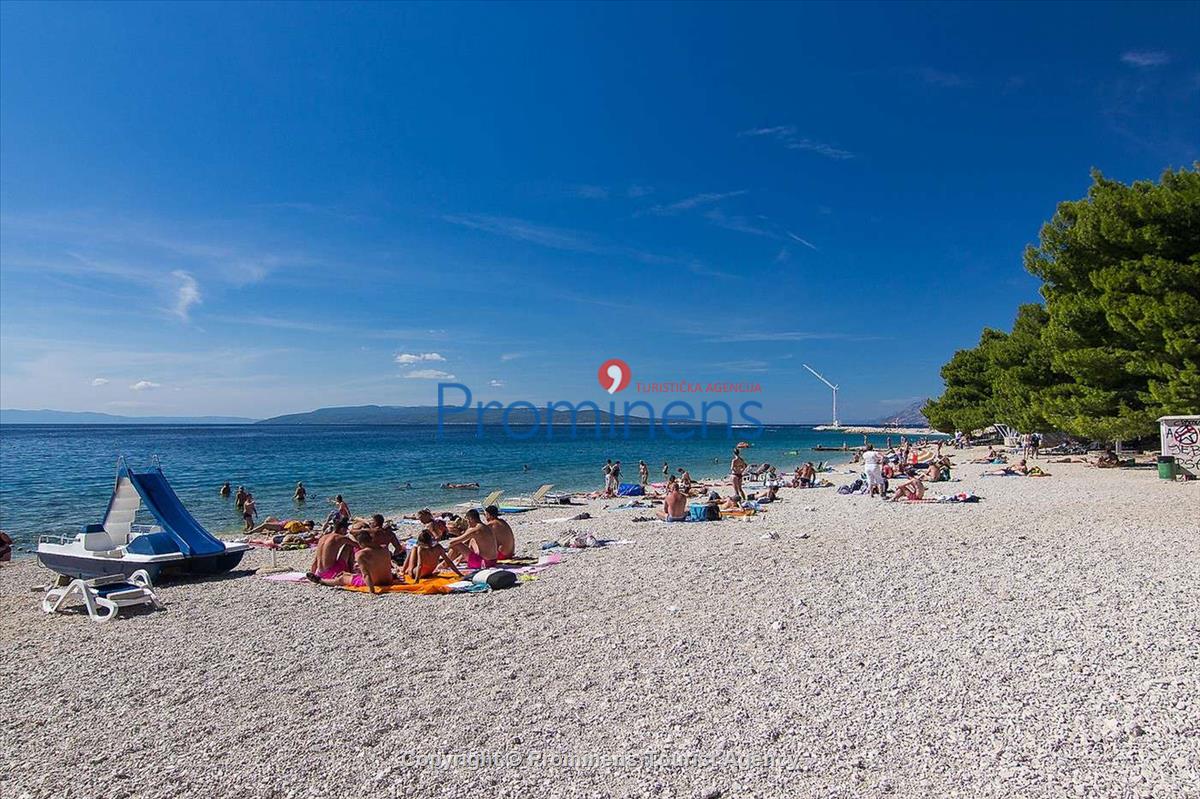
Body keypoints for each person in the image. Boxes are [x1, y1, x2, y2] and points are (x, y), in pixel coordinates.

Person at [307, 530, 394, 594]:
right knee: (347, 574)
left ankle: (321, 581)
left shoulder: (361, 554)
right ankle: (347, 574)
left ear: (360, 543)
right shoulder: (384, 548)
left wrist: (372, 591)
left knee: (342, 579)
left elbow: (366, 574)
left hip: (375, 582)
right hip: (388, 580)